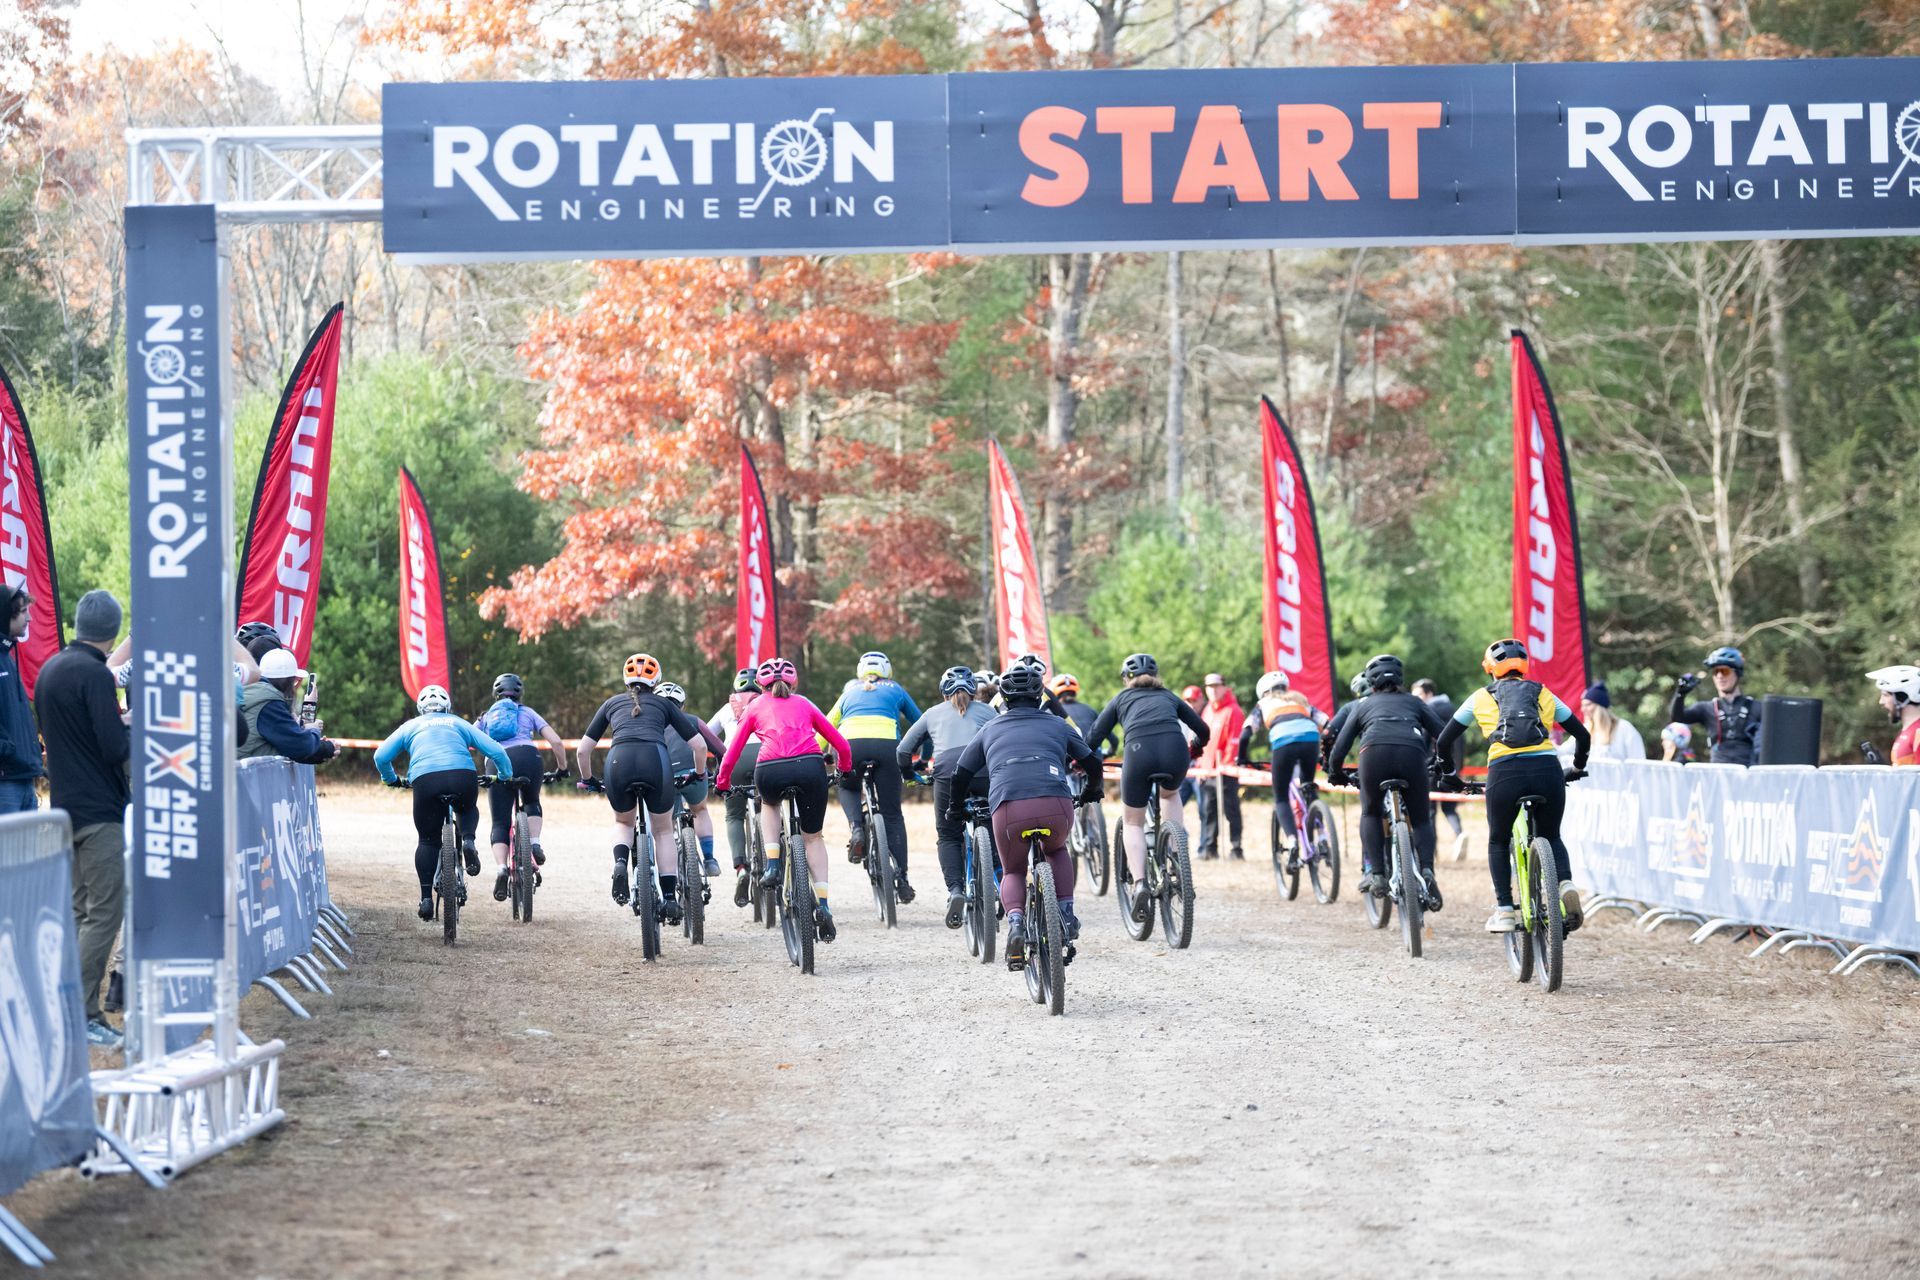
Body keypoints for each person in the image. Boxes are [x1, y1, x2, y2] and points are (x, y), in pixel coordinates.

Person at [946, 663, 1105, 965]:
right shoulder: (1058, 724)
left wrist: (954, 808)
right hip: (1055, 804)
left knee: (1014, 871)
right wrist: (1091, 791)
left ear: (1004, 697)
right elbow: (1092, 762)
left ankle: (1017, 923)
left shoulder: (990, 728)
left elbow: (960, 773)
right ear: (1040, 695)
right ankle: (1066, 914)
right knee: (1056, 850)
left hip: (1009, 808)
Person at [1433, 639, 1591, 935]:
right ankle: (1565, 884)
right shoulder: (1543, 692)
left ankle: (1505, 909)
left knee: (1498, 840)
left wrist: (1451, 775)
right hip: (1547, 769)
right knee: (1551, 835)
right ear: (1524, 667)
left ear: (1490, 669)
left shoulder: (1479, 697)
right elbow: (1582, 735)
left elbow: (1443, 741)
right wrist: (1577, 766)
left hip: (1505, 773)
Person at [35, 590, 130, 1047]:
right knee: (106, 912)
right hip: (98, 812)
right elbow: (112, 747)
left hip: (63, 808)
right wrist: (132, 724)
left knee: (78, 910)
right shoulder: (96, 675)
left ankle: (61, 1007)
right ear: (112, 630)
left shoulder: (50, 669)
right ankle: (84, 1013)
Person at [576, 654, 724, 925]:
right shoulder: (663, 704)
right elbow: (700, 746)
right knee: (663, 831)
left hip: (618, 761)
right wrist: (700, 772)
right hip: (655, 760)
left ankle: (621, 863)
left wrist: (588, 779)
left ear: (625, 679)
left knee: (623, 822)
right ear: (656, 681)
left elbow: (583, 750)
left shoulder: (611, 703)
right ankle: (669, 898)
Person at [715, 658, 853, 942]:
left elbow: (733, 751)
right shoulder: (805, 703)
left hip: (771, 770)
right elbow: (841, 743)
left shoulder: (755, 707)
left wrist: (722, 782)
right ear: (794, 682)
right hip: (810, 768)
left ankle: (773, 865)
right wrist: (845, 770)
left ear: (761, 685)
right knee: (813, 838)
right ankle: (824, 904)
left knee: (769, 804)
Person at [375, 685, 520, 921]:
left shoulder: (410, 726)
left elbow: (380, 756)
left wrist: (390, 779)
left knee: (427, 840)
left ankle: (425, 899)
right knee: (467, 808)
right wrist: (504, 776)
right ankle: (469, 840)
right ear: (447, 706)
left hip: (426, 779)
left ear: (420, 708)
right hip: (462, 775)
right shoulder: (458, 723)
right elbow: (497, 751)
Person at [1087, 654, 1210, 925]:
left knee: (1133, 821)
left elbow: (1095, 735)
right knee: (1170, 793)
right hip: (1175, 752)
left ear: (1126, 679)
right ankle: (1177, 861)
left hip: (1138, 753)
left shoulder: (1121, 698)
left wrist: (1080, 760)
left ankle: (1140, 882)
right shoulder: (1169, 696)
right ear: (1156, 676)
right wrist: (1196, 747)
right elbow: (1202, 729)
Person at [1325, 655, 1448, 907]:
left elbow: (1340, 747)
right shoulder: (1414, 702)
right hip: (1412, 756)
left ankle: (1378, 875)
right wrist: (1445, 765)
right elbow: (1444, 735)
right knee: (1421, 819)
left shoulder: (1362, 706)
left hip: (1373, 756)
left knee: (1371, 813)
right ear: (1400, 679)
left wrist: (1335, 772)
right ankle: (1427, 871)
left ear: (1371, 683)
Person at [898, 666, 997, 928]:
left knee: (949, 835)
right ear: (974, 691)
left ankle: (956, 890)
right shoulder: (988, 711)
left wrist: (910, 775)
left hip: (948, 774)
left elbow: (903, 751)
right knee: (995, 826)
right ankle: (998, 881)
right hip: (983, 771)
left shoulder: (932, 714)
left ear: (943, 693)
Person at [826, 651, 922, 904]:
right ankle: (902, 878)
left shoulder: (849, 693)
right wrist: (922, 757)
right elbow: (922, 724)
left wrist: (815, 755)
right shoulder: (896, 689)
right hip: (888, 747)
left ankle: (857, 828)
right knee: (892, 815)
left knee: (847, 786)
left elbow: (825, 726)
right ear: (887, 671)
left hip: (851, 747)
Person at [473, 673, 569, 903]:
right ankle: (534, 843)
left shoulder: (486, 717)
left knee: (500, 822)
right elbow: (556, 741)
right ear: (520, 693)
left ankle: (501, 869)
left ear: (495, 694)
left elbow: (466, 740)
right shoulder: (527, 712)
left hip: (497, 760)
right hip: (529, 758)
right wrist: (562, 768)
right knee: (532, 801)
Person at [1240, 672, 1327, 865]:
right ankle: (1322, 836)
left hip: (1283, 742)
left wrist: (1242, 758)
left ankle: (1292, 840)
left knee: (1280, 797)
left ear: (1263, 692)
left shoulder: (1263, 704)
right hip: (1311, 739)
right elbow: (1327, 723)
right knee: (1308, 786)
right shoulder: (1300, 699)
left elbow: (1245, 734)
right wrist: (1327, 753)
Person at [706, 668, 764, 906]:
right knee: (773, 806)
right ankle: (778, 859)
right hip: (765, 756)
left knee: (734, 816)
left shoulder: (727, 708)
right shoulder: (768, 703)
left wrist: (720, 754)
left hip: (735, 757)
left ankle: (741, 867)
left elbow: (707, 734)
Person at [656, 681, 722, 877]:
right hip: (694, 774)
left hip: (664, 778)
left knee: (665, 826)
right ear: (682, 705)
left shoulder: (652, 725)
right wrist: (718, 773)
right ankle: (709, 859)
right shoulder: (693, 721)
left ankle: (670, 873)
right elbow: (720, 750)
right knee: (700, 810)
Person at [239, 649, 339, 764]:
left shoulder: (255, 693)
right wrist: (313, 729)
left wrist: (325, 748)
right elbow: (301, 746)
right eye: (294, 682)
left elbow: (287, 746)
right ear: (287, 682)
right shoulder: (269, 703)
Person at [1668, 646, 1762, 766]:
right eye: (1715, 672)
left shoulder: (1757, 707)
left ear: (1738, 673)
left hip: (1748, 771)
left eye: (1724, 671)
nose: (1719, 676)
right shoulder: (1706, 708)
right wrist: (1680, 694)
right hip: (1717, 772)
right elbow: (1677, 717)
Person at [1412, 678, 1467, 860]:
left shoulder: (1428, 710)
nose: (1416, 699)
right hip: (1453, 766)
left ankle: (1432, 851)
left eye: (1419, 694)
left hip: (1432, 766)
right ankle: (1459, 835)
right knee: (1449, 808)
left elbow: (1424, 739)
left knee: (1430, 810)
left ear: (1429, 693)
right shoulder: (1452, 708)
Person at [0, 582, 43, 813]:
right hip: (6, 783)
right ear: (7, 614)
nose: (30, 618)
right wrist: (9, 751)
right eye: (24, 611)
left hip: (23, 780)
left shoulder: (8, 657)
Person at [1194, 673, 1246, 859]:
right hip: (1208, 771)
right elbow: (1203, 742)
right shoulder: (1208, 710)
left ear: (1224, 687)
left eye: (1216, 686)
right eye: (1209, 686)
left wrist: (1225, 767)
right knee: (1209, 811)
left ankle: (1236, 849)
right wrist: (1201, 765)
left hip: (1226, 771)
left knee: (1231, 811)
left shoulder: (1234, 711)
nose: (1213, 690)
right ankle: (1210, 848)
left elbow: (1234, 743)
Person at [1558, 682, 1645, 763]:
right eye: (1582, 705)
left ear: (1600, 706)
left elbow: (1638, 762)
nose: (1583, 709)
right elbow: (1563, 751)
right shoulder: (1585, 729)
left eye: (1587, 705)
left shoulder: (1624, 728)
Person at [1866, 666, 1920, 765]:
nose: (1881, 702)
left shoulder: (1918, 732)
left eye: (1885, 695)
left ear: (1902, 698)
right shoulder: (1908, 731)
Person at [1049, 672, 1102, 743]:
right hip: (1092, 749)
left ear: (1053, 693)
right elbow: (1112, 739)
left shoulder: (1050, 713)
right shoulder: (1090, 710)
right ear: (1075, 692)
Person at [1176, 684, 1206, 805]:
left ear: (1202, 700)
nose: (1192, 704)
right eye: (1188, 701)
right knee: (1175, 804)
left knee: (1204, 809)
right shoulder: (1179, 720)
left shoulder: (1209, 715)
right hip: (1184, 767)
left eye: (1195, 700)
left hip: (1202, 767)